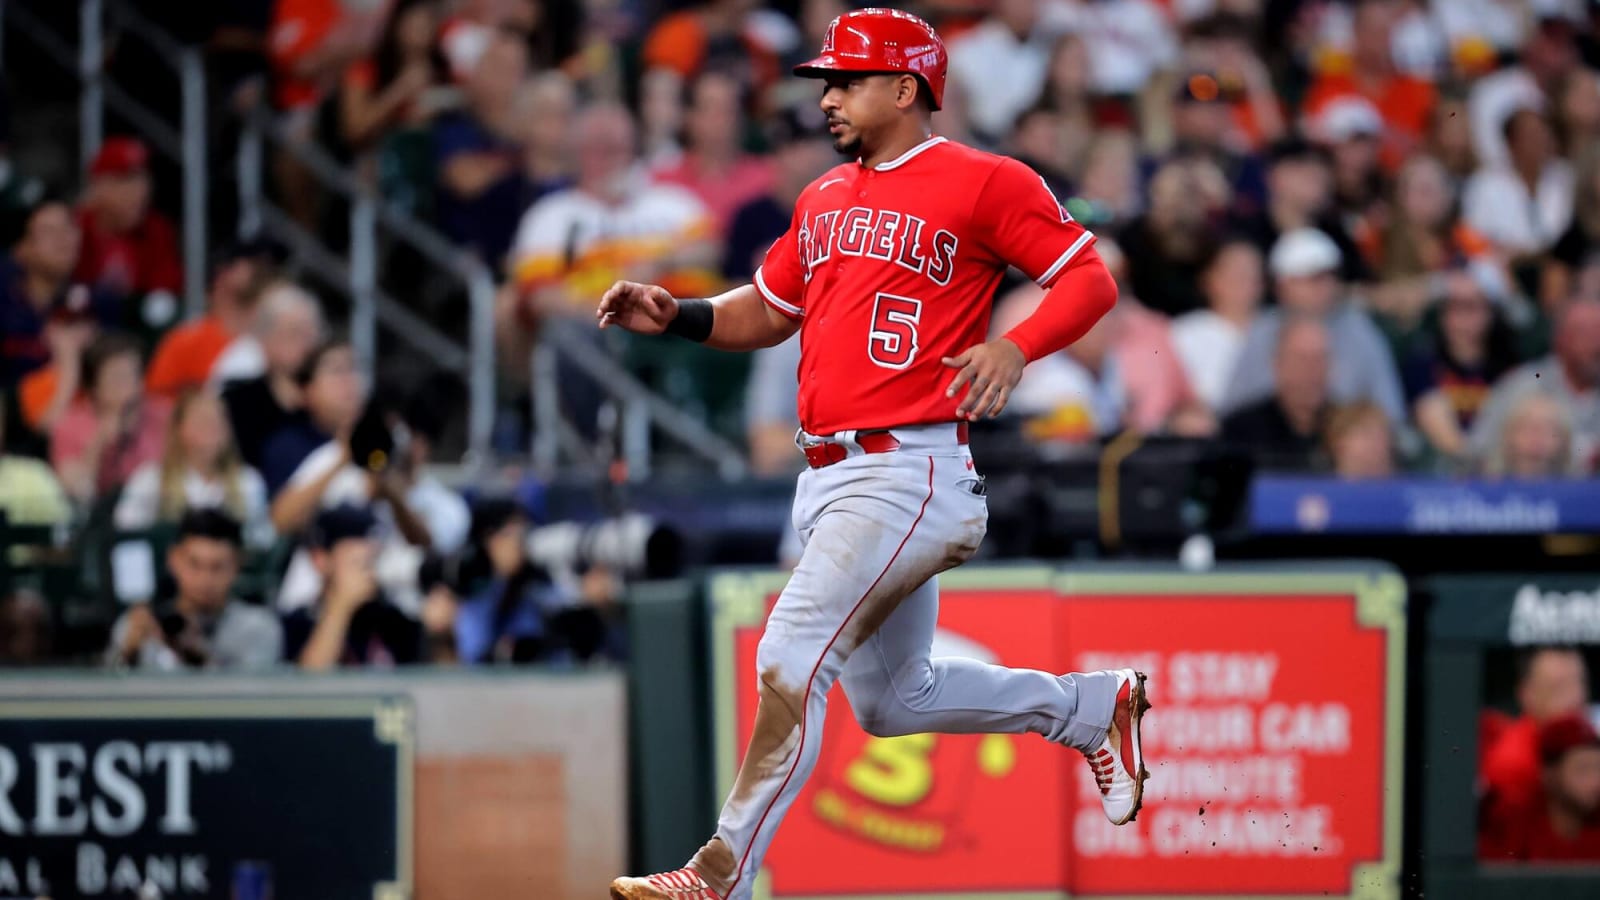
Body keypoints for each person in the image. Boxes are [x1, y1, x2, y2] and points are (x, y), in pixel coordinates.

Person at [600, 11, 1142, 898]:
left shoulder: (983, 179)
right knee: (898, 702)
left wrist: (1018, 345)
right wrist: (686, 314)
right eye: (826, 80)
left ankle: (716, 876)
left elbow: (1088, 278)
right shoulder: (822, 196)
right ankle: (1086, 708)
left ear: (906, 88)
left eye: (847, 80)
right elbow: (773, 309)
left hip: (908, 467)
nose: (829, 96)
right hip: (831, 474)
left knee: (788, 655)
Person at [1221, 228, 1406, 426]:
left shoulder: (1357, 328)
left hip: (1343, 439)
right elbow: (1236, 404)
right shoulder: (1264, 330)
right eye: (1314, 278)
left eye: (1330, 276)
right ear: (1283, 285)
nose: (1326, 286)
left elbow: (1388, 407)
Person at [105, 508, 282, 671]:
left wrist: (196, 656)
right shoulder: (139, 625)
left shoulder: (258, 628)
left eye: (217, 567)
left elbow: (249, 698)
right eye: (194, 565)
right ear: (174, 559)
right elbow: (105, 692)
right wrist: (128, 654)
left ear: (237, 566)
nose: (205, 579)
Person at [282, 504, 436, 670]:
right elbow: (308, 683)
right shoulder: (299, 621)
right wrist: (340, 607)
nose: (368, 570)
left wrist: (438, 636)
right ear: (320, 559)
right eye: (358, 562)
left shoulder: (392, 623)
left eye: (373, 560)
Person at [114, 389, 273, 548]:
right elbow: (126, 538)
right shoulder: (150, 480)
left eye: (218, 420)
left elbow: (262, 544)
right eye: (202, 420)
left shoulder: (248, 481)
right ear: (178, 429)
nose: (212, 428)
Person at [432, 28, 531, 269]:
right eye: (499, 67)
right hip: (472, 256)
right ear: (475, 73)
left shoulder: (533, 128)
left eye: (517, 69)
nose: (509, 79)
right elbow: (465, 180)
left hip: (532, 248)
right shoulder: (456, 124)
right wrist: (524, 157)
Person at [1403, 268, 1519, 463]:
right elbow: (1433, 423)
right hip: (1444, 468)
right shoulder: (1422, 364)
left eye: (1471, 307)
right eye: (1453, 308)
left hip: (1500, 465)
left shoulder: (1508, 367)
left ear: (1491, 313)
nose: (1461, 319)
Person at [1470, 297, 1600, 470]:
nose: (1596, 343)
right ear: (1560, 339)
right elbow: (1478, 451)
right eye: (1585, 333)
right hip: (1524, 494)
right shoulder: (1521, 386)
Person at [1480, 648, 1593, 843]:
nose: (1575, 698)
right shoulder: (1513, 763)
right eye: (1559, 688)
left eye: (1579, 683)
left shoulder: (1589, 737)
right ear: (1526, 694)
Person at [145, 239, 279, 399]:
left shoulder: (274, 341)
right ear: (222, 273)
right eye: (250, 261)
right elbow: (157, 404)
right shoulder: (186, 341)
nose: (262, 268)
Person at [50, 333, 172, 505]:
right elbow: (76, 492)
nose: (129, 387)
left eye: (133, 375)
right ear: (94, 387)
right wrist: (98, 443)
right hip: (97, 518)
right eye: (117, 378)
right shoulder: (70, 425)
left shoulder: (164, 414)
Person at [653, 71, 777, 237]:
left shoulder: (769, 179)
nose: (721, 118)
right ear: (689, 117)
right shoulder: (663, 182)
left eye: (729, 109)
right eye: (711, 108)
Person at [220, 279, 325, 470]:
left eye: (313, 334)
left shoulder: (330, 399)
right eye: (296, 333)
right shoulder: (238, 403)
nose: (309, 345)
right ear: (265, 339)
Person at [72, 137, 182, 312]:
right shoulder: (75, 228)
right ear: (98, 185)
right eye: (125, 180)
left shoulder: (156, 229)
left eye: (143, 179)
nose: (140, 191)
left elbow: (166, 291)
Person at [1480, 712, 1600, 862]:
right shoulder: (1512, 823)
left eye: (1598, 769)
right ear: (1549, 774)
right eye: (1583, 769)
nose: (1596, 781)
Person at [1220, 314, 1334, 471]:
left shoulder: (1348, 429)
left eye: (1320, 359)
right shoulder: (1239, 433)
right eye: (1302, 359)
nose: (1312, 370)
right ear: (1277, 364)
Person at [1172, 238, 1264, 412]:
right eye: (1234, 271)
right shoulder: (1184, 332)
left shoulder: (1276, 330)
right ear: (1208, 279)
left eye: (1252, 272)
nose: (1244, 279)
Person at [1324, 401, 1396, 479]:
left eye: (1382, 435)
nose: (1378, 443)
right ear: (1340, 443)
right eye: (1367, 433)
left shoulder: (1405, 486)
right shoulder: (1315, 487)